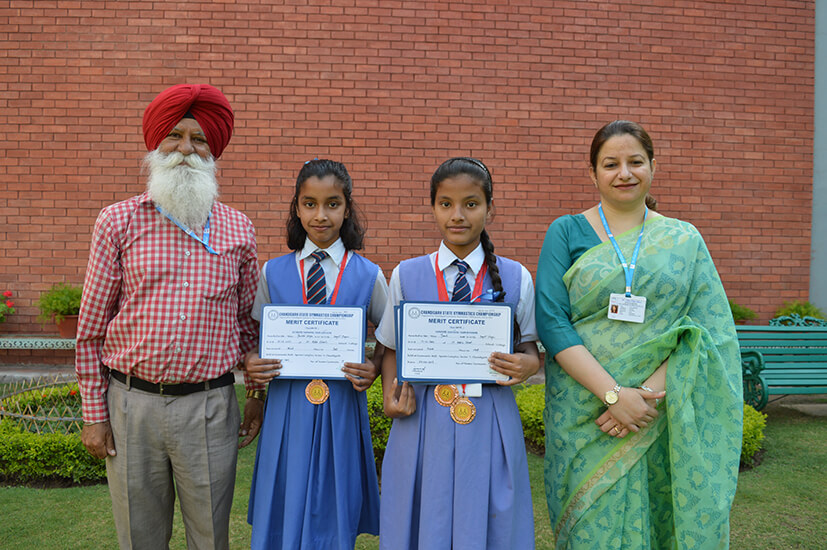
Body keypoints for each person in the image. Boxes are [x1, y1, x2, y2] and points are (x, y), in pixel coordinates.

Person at [536, 120, 743, 548]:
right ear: (592, 172)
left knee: (660, 520)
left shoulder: (683, 239)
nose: (624, 173)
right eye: (610, 164)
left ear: (653, 166)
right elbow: (552, 322)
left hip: (659, 411)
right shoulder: (567, 231)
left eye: (636, 161)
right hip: (584, 413)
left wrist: (642, 397)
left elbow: (706, 330)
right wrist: (614, 395)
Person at [75, 83, 265, 549]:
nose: (186, 148)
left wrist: (258, 393)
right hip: (131, 406)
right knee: (140, 538)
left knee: (209, 537)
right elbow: (90, 332)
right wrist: (95, 415)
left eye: (199, 139)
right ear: (156, 143)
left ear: (213, 150)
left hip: (209, 407)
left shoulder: (237, 227)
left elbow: (248, 327)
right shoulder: (117, 221)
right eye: (175, 136)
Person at [376, 157, 541, 549]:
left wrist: (526, 364)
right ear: (433, 207)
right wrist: (388, 396)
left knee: (490, 519)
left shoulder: (517, 277)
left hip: (489, 418)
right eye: (446, 204)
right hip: (423, 419)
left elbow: (532, 352)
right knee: (422, 516)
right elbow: (390, 351)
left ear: (489, 208)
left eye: (471, 203)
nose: (458, 215)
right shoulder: (407, 274)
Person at [245, 159, 388, 549]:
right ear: (296, 207)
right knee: (284, 501)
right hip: (287, 408)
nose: (320, 215)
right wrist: (254, 379)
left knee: (334, 505)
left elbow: (391, 339)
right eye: (309, 204)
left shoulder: (369, 274)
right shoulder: (271, 273)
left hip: (341, 407)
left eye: (332, 204)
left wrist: (373, 367)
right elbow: (255, 342)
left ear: (347, 208)